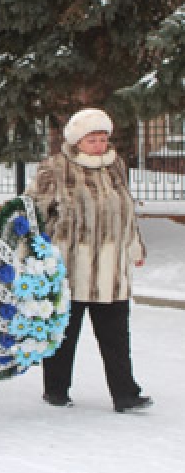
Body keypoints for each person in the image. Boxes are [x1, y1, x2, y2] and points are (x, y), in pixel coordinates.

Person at [25, 108, 152, 413]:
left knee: (117, 336)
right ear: (77, 140)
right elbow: (33, 212)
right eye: (92, 139)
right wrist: (34, 253)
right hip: (71, 267)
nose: (99, 144)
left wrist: (134, 246)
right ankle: (56, 389)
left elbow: (126, 211)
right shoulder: (55, 168)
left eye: (103, 138)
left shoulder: (115, 166)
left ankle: (125, 394)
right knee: (65, 334)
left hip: (110, 271)